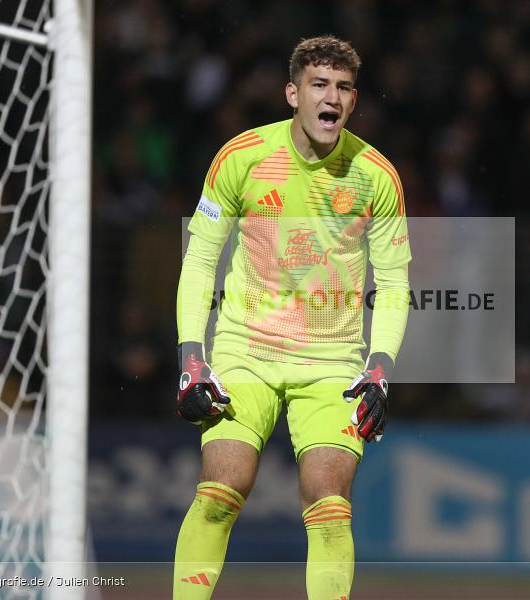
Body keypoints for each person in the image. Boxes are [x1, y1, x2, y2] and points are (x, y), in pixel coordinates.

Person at [173, 36, 411, 599]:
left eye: (344, 88)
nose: (332, 97)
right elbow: (200, 259)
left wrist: (379, 368)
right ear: (292, 94)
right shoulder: (242, 157)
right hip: (243, 350)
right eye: (319, 85)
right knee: (221, 490)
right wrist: (191, 357)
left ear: (353, 101)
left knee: (329, 502)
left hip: (332, 361)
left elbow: (396, 281)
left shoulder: (376, 175)